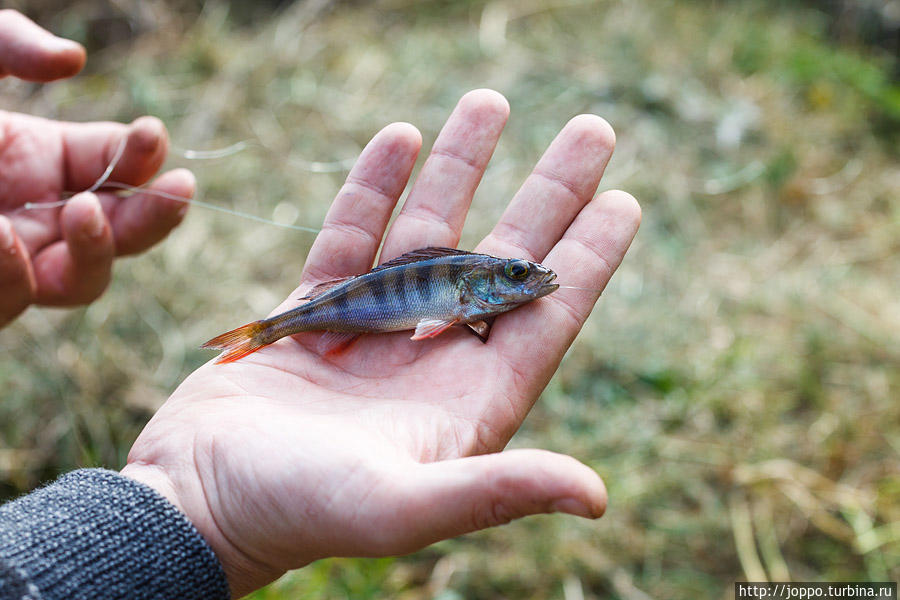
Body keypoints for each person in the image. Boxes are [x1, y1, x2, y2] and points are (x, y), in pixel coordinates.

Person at [0, 9, 641, 600]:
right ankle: (265, 332)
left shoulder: (472, 294)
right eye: (517, 275)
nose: (532, 281)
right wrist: (194, 506)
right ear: (484, 286)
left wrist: (196, 508)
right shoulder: (467, 290)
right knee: (287, 324)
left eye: (523, 277)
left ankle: (266, 332)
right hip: (319, 321)